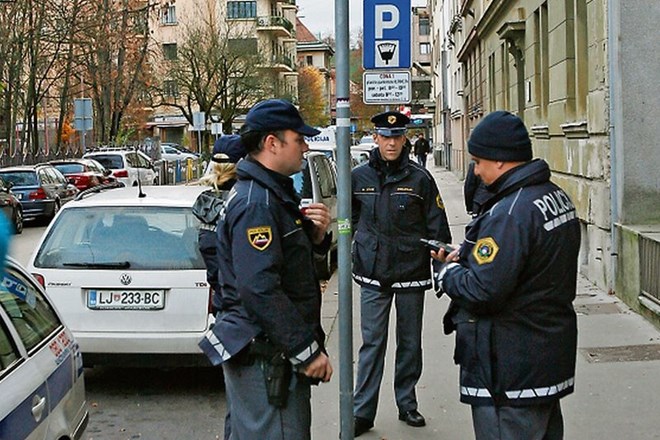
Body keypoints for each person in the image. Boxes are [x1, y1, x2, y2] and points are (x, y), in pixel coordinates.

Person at [432, 111, 581, 440]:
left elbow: (483, 291)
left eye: (478, 161)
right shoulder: (553, 197)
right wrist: (472, 254)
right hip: (543, 359)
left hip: (509, 371)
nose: (475, 170)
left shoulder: (510, 213)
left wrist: (447, 271)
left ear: (499, 160)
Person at [200, 99, 333, 439]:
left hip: (268, 350)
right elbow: (259, 287)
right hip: (267, 355)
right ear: (272, 144)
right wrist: (306, 349)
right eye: (298, 138)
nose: (305, 146)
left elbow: (286, 268)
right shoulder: (256, 203)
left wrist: (315, 240)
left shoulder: (269, 195)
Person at [351, 111, 452, 437]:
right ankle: (362, 411)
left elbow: (438, 227)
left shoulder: (420, 179)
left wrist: (442, 269)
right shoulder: (358, 178)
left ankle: (406, 403)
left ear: (404, 139)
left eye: (396, 137)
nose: (391, 143)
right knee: (372, 344)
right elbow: (347, 223)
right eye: (385, 137)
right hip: (372, 271)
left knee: (409, 343)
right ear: (376, 138)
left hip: (410, 270)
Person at [193, 134, 245, 440]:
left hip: (223, 307)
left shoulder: (206, 204)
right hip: (239, 309)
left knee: (236, 401)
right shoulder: (239, 202)